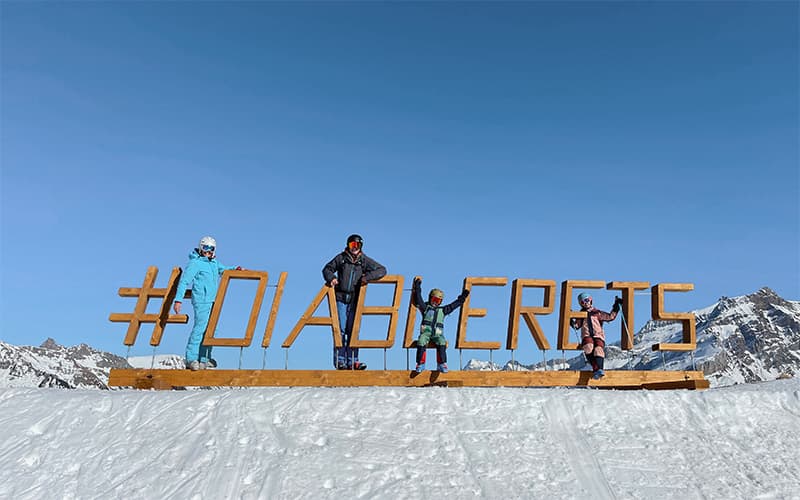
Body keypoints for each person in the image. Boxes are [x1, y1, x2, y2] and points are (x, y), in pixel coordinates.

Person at [173, 236, 241, 371]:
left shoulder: (214, 263)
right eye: (205, 248)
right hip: (201, 300)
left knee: (211, 330)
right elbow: (184, 281)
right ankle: (191, 358)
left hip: (213, 300)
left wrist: (236, 269)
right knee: (200, 328)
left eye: (211, 248)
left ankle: (205, 358)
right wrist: (178, 300)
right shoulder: (195, 263)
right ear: (200, 248)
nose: (208, 251)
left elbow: (224, 270)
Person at [322, 234, 387, 370]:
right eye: (352, 245)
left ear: (361, 246)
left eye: (357, 245)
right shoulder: (341, 258)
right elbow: (327, 269)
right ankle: (340, 361)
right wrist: (331, 278)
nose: (354, 248)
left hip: (354, 300)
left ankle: (353, 361)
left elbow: (382, 270)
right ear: (348, 245)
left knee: (353, 330)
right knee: (340, 329)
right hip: (340, 298)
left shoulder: (363, 260)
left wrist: (367, 277)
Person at [411, 277, 469, 374]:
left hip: (437, 334)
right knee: (421, 341)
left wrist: (462, 298)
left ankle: (441, 363)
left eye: (438, 301)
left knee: (442, 342)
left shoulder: (442, 310)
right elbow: (418, 299)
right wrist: (417, 287)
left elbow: (454, 305)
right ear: (430, 298)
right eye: (433, 300)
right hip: (426, 332)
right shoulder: (426, 308)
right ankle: (420, 363)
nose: (435, 303)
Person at [570, 292, 622, 379]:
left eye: (587, 300)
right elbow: (577, 326)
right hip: (587, 335)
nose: (585, 303)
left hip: (598, 335)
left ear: (590, 300)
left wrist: (616, 306)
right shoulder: (581, 315)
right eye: (583, 302)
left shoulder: (597, 313)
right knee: (588, 347)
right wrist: (570, 319)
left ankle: (599, 369)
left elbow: (610, 317)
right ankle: (596, 368)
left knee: (598, 349)